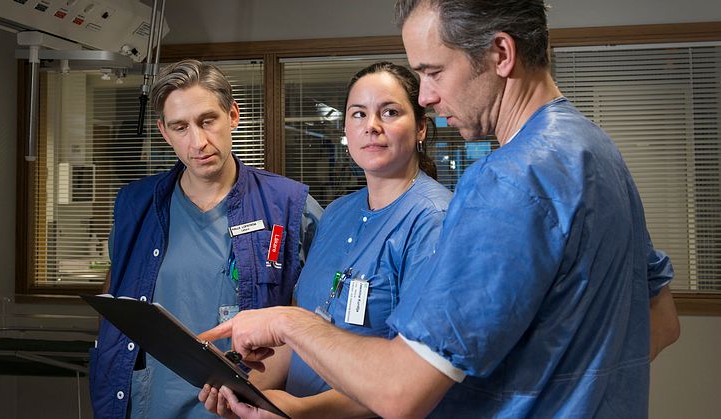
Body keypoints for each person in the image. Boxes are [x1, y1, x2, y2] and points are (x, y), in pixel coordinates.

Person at [198, 1, 681, 417]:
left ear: (500, 54)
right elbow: (661, 324)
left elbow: (399, 392)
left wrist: (287, 322)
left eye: (433, 72)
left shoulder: (508, 180)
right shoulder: (596, 150)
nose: (426, 94)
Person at [199, 61, 453, 418]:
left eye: (390, 112)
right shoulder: (336, 214)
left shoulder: (433, 220)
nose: (372, 127)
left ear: (421, 128)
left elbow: (415, 379)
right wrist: (248, 390)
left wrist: (302, 411)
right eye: (359, 114)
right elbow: (302, 333)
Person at [89, 59, 323, 419]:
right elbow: (117, 296)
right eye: (180, 127)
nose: (198, 142)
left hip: (243, 407)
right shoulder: (136, 205)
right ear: (164, 132)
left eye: (207, 120)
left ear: (233, 115)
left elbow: (317, 323)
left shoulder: (289, 206)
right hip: (146, 404)